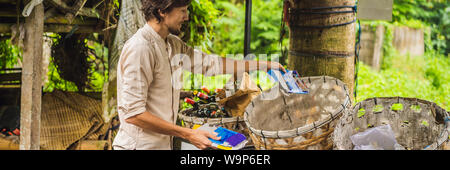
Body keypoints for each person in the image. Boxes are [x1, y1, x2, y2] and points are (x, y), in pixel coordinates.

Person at [112, 0, 286, 150]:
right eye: (182, 10)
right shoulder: (141, 48)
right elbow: (134, 114)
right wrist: (189, 134)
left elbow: (212, 64)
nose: (187, 16)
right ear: (162, 11)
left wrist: (262, 65)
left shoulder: (172, 44)